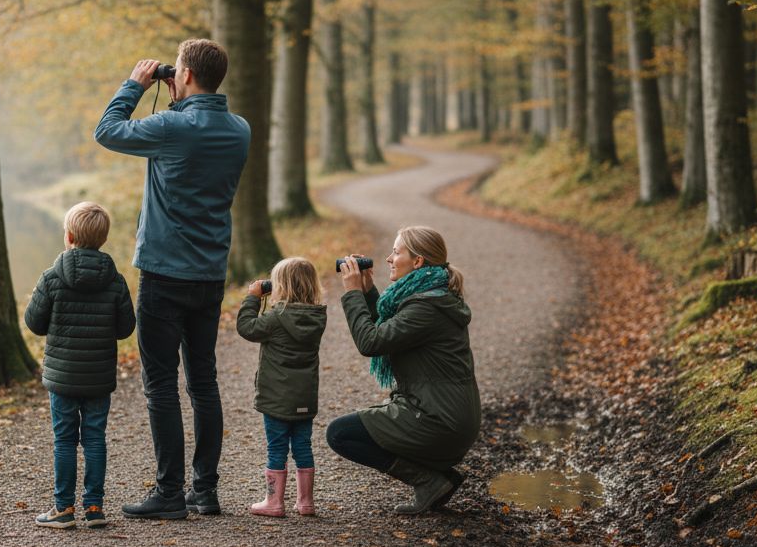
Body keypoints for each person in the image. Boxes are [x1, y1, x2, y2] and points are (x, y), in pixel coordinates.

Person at [94, 39, 250, 519]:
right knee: (203, 382)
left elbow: (108, 131)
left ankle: (168, 494)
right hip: (209, 274)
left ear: (184, 74)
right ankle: (205, 490)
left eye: (177, 71)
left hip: (163, 272)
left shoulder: (171, 127)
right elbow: (196, 127)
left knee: (160, 383)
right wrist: (179, 94)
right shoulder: (239, 129)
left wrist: (135, 85)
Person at [326, 226, 482, 515]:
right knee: (353, 429)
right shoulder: (430, 296)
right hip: (448, 415)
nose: (389, 258)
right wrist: (368, 290)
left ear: (418, 262)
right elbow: (390, 331)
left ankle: (429, 481)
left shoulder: (427, 308)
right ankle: (439, 477)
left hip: (440, 420)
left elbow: (371, 342)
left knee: (341, 434)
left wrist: (352, 294)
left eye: (397, 252)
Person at [24, 202, 137, 528]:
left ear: (69, 236)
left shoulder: (52, 277)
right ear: (102, 239)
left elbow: (34, 322)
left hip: (62, 378)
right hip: (98, 377)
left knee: (64, 440)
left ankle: (63, 509)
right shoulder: (114, 280)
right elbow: (125, 329)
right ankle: (94, 508)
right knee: (94, 438)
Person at [236, 257, 326, 517]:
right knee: (303, 446)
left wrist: (253, 298)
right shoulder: (318, 317)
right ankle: (305, 502)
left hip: (276, 398)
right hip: (305, 397)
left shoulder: (277, 317)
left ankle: (274, 502)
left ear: (281, 287)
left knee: (276, 447)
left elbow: (246, 328)